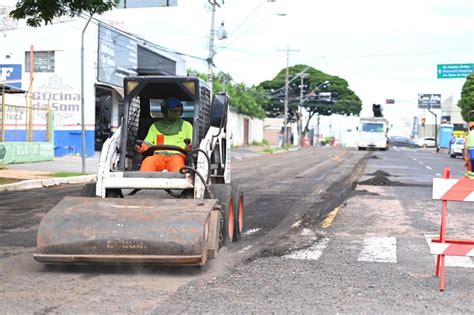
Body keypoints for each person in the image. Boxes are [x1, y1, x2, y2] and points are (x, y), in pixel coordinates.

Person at [135, 97, 192, 172]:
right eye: (173, 110)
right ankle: (142, 183)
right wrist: (141, 148)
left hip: (177, 156)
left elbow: (191, 143)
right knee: (148, 161)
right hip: (158, 157)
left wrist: (189, 147)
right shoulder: (155, 126)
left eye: (178, 110)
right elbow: (147, 143)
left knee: (178, 164)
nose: (176, 112)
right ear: (165, 110)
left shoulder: (187, 126)